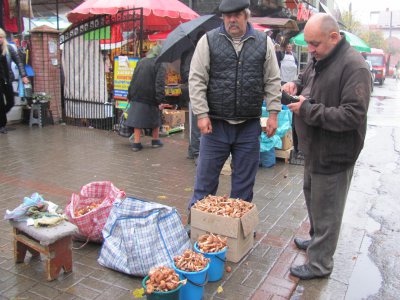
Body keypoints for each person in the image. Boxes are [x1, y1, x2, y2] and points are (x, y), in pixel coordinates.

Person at [282, 13, 371, 280]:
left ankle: (320, 264)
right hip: (314, 148)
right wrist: (295, 83)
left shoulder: (355, 67)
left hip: (335, 152)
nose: (310, 49)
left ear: (334, 37)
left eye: (314, 44)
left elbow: (352, 115)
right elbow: (305, 77)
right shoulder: (320, 58)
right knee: (314, 200)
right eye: (307, 43)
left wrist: (308, 110)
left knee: (328, 209)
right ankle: (316, 240)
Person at [187, 0, 281, 209]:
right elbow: (196, 79)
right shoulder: (209, 41)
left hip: (248, 126)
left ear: (246, 15)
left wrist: (274, 113)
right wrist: (201, 114)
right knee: (205, 181)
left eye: (237, 15)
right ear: (222, 17)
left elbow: (272, 80)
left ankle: (239, 228)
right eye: (227, 15)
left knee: (243, 187)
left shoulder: (263, 42)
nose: (232, 19)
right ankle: (198, 222)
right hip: (215, 126)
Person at [125, 46, 166, 151]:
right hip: (150, 95)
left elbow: (133, 79)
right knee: (155, 118)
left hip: (137, 94)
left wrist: (129, 95)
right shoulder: (160, 64)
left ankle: (136, 143)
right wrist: (160, 100)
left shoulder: (141, 61)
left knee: (137, 120)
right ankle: (155, 140)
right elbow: (159, 83)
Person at [181, 31, 206, 165]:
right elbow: (186, 74)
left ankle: (192, 150)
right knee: (196, 122)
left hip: (197, 91)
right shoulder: (193, 54)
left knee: (194, 122)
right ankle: (196, 153)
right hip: (195, 92)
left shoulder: (199, 52)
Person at [0, 28, 29, 134]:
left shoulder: (9, 48)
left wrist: (24, 75)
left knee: (11, 101)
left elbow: (19, 62)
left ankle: (1, 118)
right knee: (1, 104)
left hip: (7, 79)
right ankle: (2, 125)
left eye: (1, 37)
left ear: (3, 37)